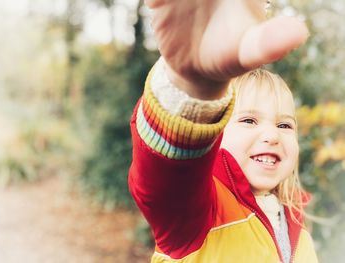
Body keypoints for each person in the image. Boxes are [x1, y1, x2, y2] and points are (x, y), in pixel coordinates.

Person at [129, 0, 317, 262]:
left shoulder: (296, 224)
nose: (272, 136)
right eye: (249, 121)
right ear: (215, 132)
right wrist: (192, 86)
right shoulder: (197, 214)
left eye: (284, 125)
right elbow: (164, 181)